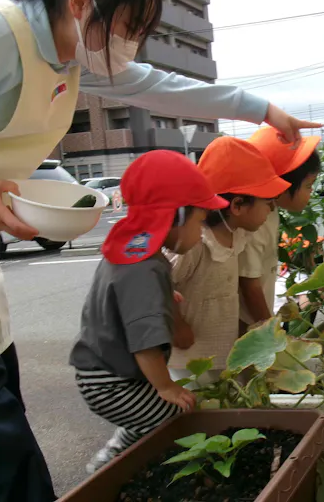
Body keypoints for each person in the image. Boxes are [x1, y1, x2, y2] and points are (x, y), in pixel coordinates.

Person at [0, 0, 320, 499]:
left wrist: (263, 110)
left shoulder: (62, 54)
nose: (132, 45)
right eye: (130, 26)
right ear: (82, 2)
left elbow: (159, 87)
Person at [69, 150, 225, 474]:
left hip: (105, 372)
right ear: (177, 216)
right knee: (174, 416)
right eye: (199, 222)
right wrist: (166, 385)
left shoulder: (132, 250)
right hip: (113, 381)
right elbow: (143, 340)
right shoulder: (145, 268)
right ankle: (115, 469)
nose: (200, 235)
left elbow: (125, 302)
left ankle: (113, 457)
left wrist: (161, 299)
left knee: (153, 415)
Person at [167, 137, 290, 384]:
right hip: (186, 363)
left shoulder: (238, 235)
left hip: (220, 356)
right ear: (237, 205)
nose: (271, 211)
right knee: (193, 416)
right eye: (267, 204)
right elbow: (153, 285)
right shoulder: (196, 244)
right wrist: (176, 325)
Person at [239, 127, 322, 331]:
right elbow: (249, 285)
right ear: (283, 183)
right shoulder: (254, 222)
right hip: (246, 327)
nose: (310, 193)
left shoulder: (270, 210)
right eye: (308, 185)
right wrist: (270, 334)